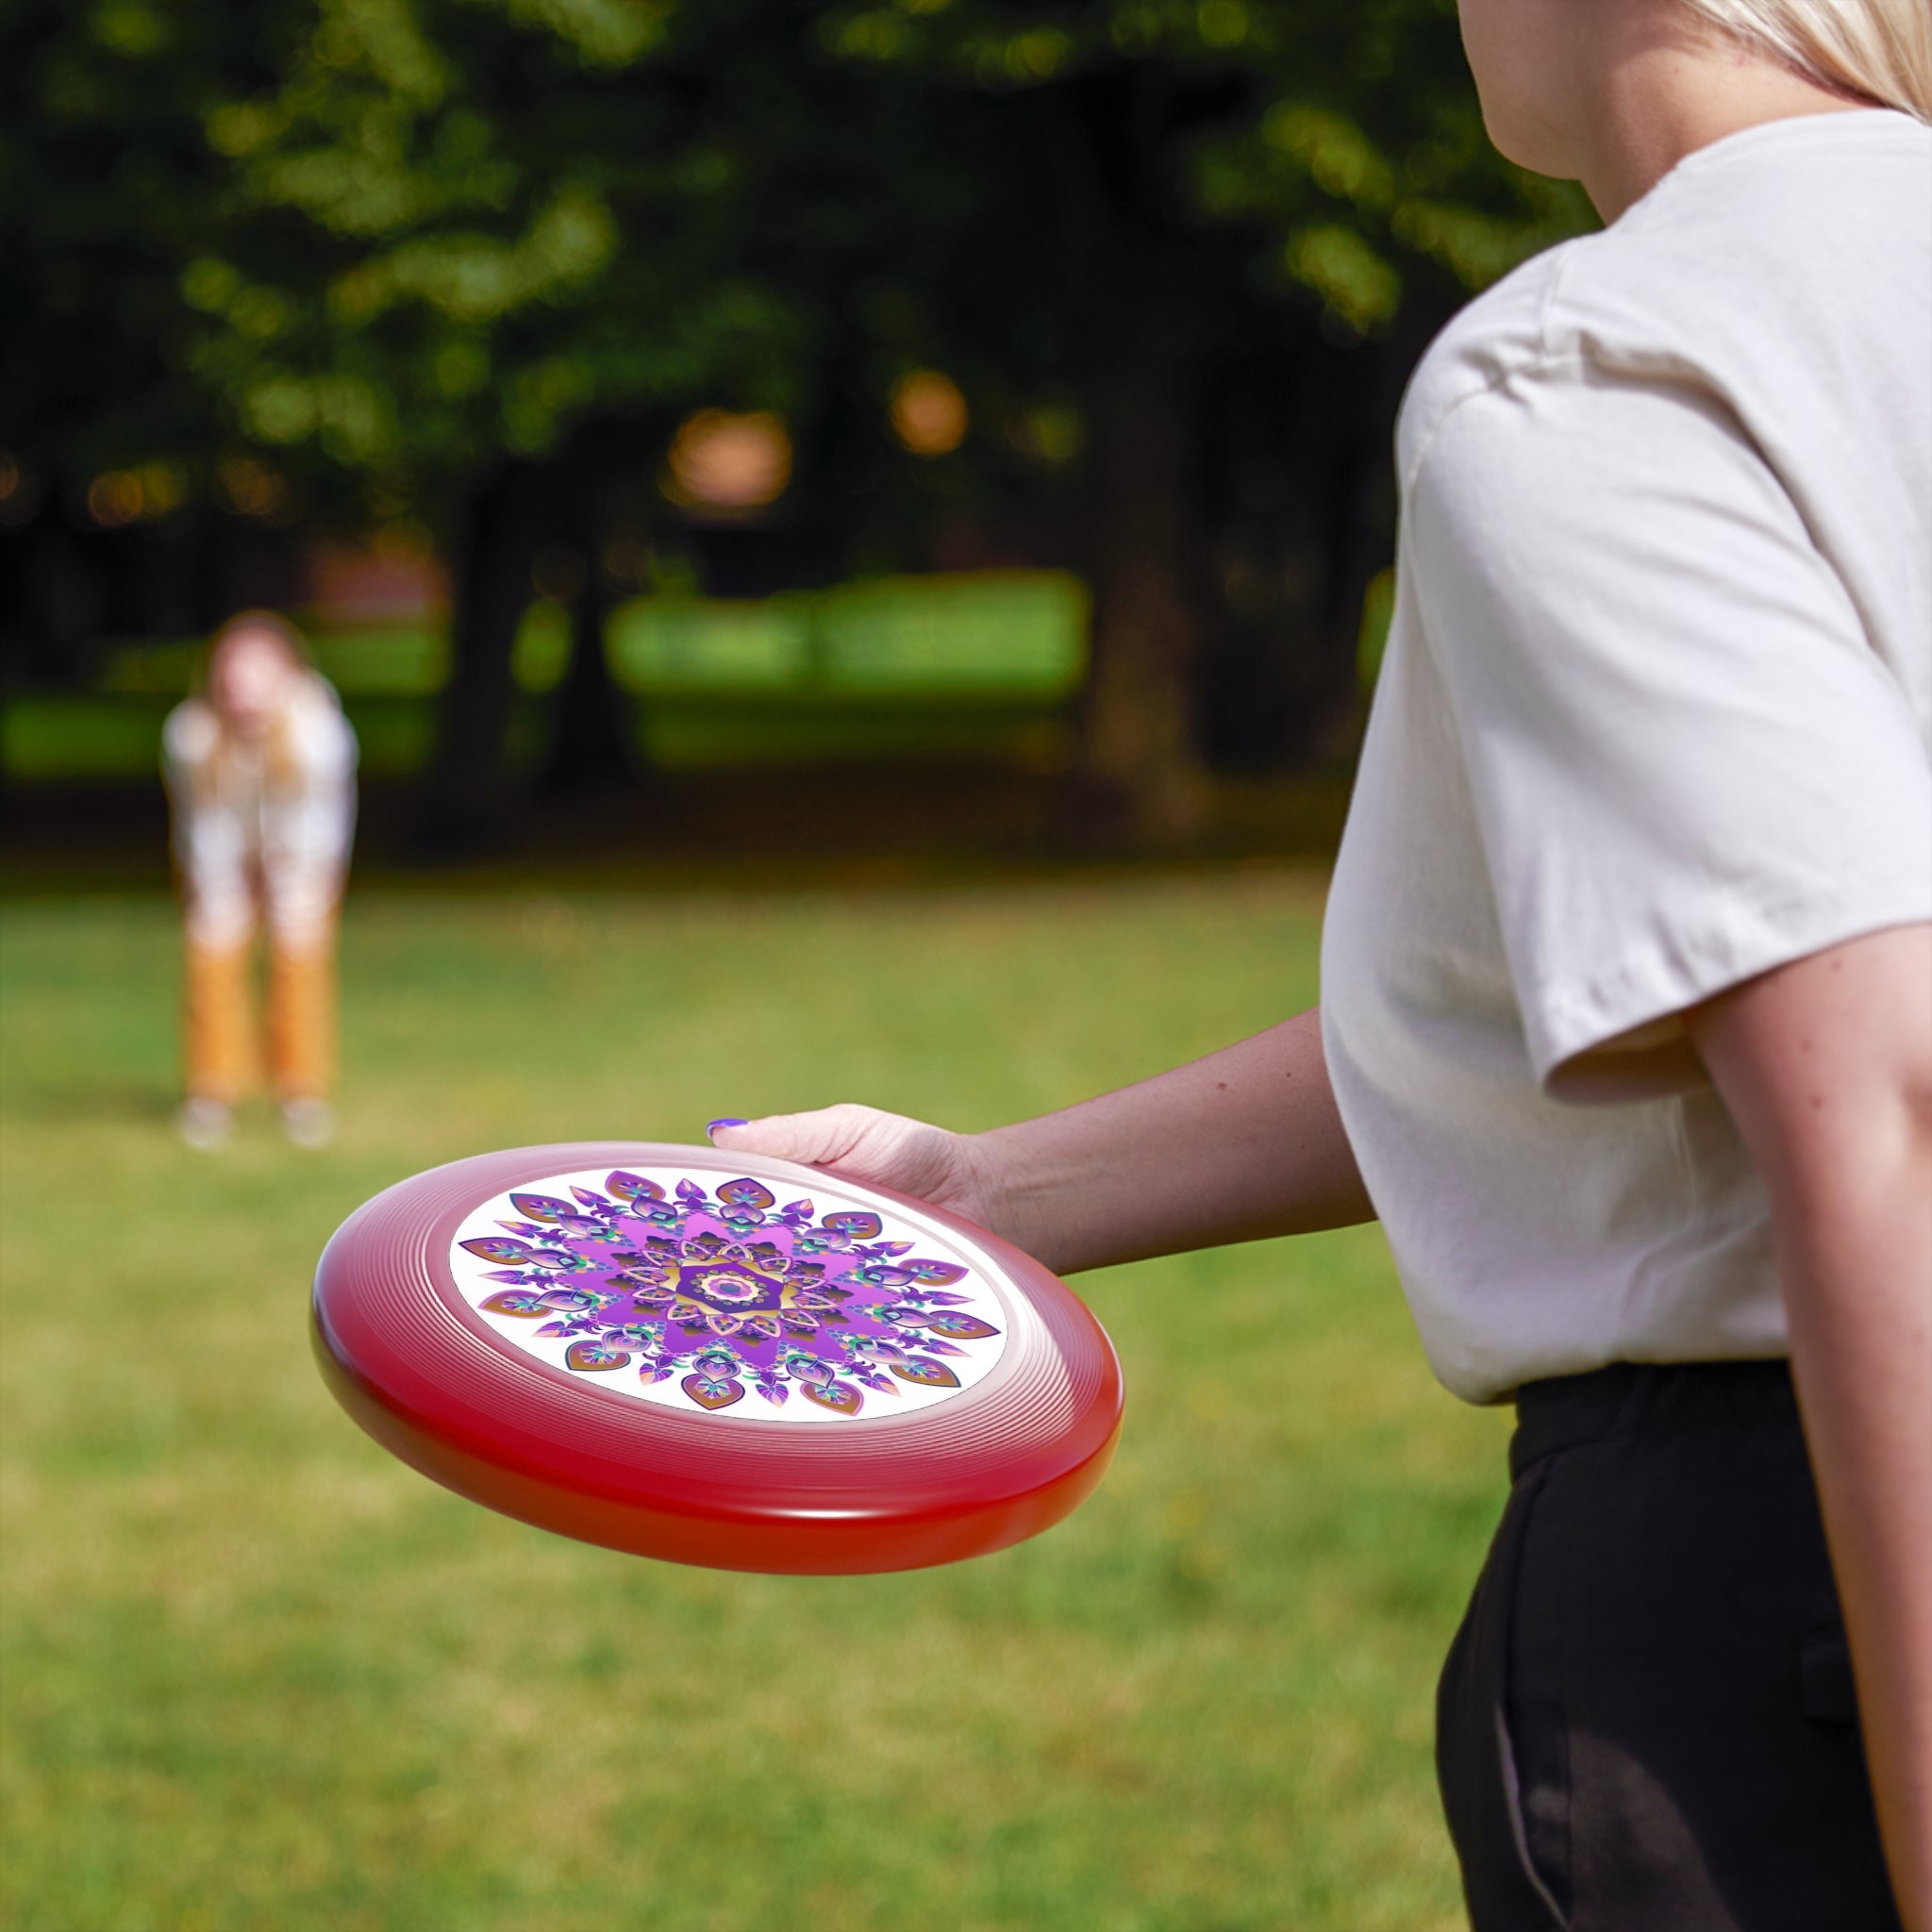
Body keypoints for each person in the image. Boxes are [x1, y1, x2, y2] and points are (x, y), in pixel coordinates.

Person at [706, 3, 1932, 1926]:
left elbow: (1884, 1099)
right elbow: (1629, 989)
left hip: (1794, 1592)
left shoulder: (1607, 361)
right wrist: (985, 1189)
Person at [162, 611, 358, 1150]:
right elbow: (204, 823)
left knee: (299, 958)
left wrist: (288, 882)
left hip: (302, 858)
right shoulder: (191, 735)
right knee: (212, 952)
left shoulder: (319, 733)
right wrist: (224, 888)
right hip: (221, 856)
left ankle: (300, 1092)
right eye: (234, 675)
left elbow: (317, 823)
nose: (244, 690)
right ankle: (212, 1091)